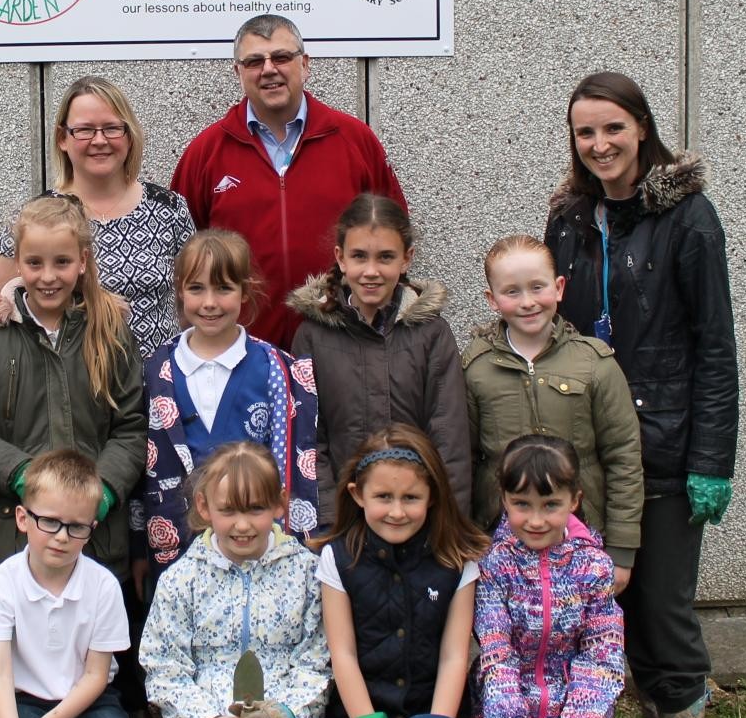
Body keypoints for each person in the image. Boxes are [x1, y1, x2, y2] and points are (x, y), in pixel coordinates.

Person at [545, 71, 738, 718]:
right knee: (610, 607)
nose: (599, 145)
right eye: (584, 133)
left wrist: (709, 461)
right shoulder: (568, 216)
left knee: (662, 614)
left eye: (612, 129)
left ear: (640, 128)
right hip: (588, 448)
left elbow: (714, 349)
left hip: (664, 446)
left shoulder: (689, 219)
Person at [0, 195, 146, 596]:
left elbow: (132, 427)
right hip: (9, 540)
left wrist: (100, 493)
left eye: (62, 262)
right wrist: (23, 475)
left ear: (83, 262)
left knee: (94, 658)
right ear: (18, 262)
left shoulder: (110, 331)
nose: (48, 276)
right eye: (35, 263)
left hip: (94, 541)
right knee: (14, 657)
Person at [170, 14, 406, 348]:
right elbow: (181, 250)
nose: (268, 70)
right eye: (253, 61)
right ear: (237, 72)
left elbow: (394, 231)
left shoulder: (354, 140)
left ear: (305, 65)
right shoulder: (205, 152)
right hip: (240, 351)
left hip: (342, 345)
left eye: (281, 57)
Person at [139, 442, 329, 718]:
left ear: (279, 504)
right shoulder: (183, 579)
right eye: (229, 511)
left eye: (255, 509)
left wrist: (287, 717)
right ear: (205, 507)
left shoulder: (308, 574)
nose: (242, 525)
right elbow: (163, 667)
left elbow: (319, 659)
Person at [312, 424, 489, 718]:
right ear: (358, 495)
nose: (396, 511)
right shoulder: (338, 559)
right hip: (361, 717)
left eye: (411, 498)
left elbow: (454, 655)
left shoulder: (456, 560)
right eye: (383, 497)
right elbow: (343, 653)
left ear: (433, 497)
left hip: (433, 716)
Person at [463, 233, 643, 592]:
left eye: (537, 287)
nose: (528, 302)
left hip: (583, 537)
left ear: (559, 288)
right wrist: (465, 538)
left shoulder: (594, 363)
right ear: (492, 300)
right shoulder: (475, 367)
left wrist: (622, 549)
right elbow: (462, 458)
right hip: (501, 543)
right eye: (512, 291)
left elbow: (623, 456)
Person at [0, 449, 148, 718]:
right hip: (24, 702)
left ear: (91, 528)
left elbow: (95, 675)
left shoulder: (103, 586)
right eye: (49, 522)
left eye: (76, 526)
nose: (61, 537)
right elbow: (0, 672)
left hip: (92, 703)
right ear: (23, 518)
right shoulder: (2, 583)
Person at [137, 229, 319, 578]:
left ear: (244, 291)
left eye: (223, 288)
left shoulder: (278, 370)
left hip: (256, 549)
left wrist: (300, 546)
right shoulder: (156, 370)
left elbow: (297, 464)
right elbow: (143, 464)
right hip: (178, 555)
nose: (209, 302)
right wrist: (139, 549)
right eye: (196, 288)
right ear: (179, 291)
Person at [289, 194, 471, 528]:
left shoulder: (431, 334)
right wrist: (330, 523)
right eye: (359, 256)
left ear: (406, 259)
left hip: (416, 520)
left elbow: (449, 438)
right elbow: (310, 441)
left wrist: (447, 526)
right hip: (344, 524)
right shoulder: (312, 336)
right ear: (341, 258)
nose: (371, 271)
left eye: (385, 257)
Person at [472, 435, 625, 718]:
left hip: (576, 709)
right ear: (503, 498)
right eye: (522, 505)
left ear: (574, 500)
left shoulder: (594, 566)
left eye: (551, 505)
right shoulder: (493, 566)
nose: (536, 520)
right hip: (513, 717)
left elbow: (602, 654)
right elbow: (495, 653)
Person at [0, 75, 194, 358]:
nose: (100, 140)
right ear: (63, 138)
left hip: (157, 391)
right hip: (70, 394)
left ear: (129, 134)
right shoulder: (31, 218)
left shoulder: (169, 209)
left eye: (112, 128)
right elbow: (3, 315)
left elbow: (193, 304)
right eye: (84, 130)